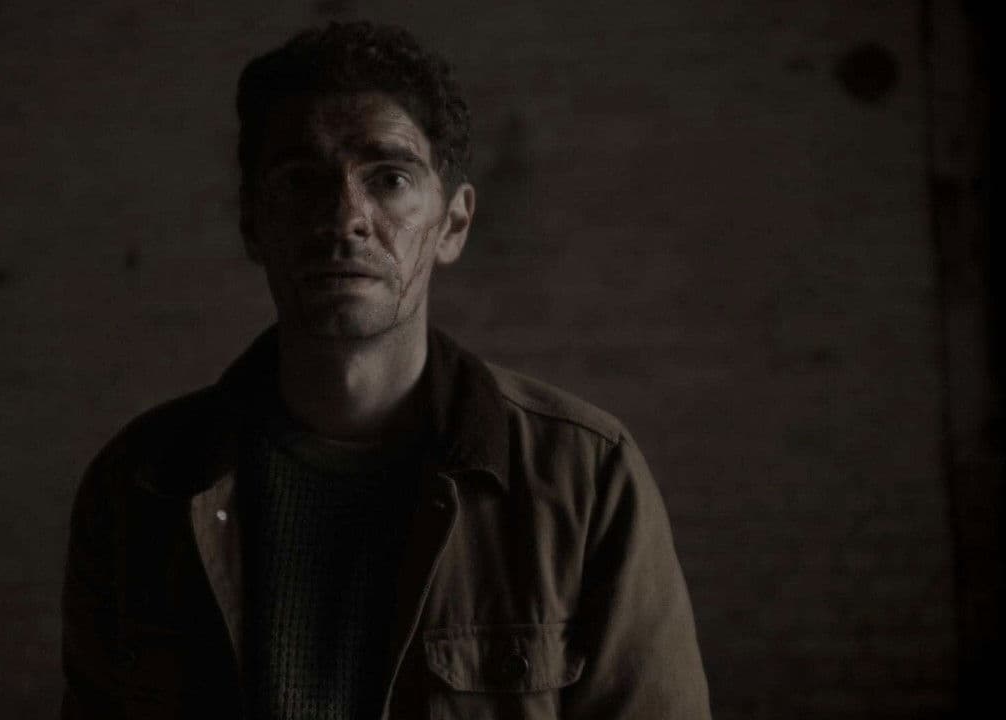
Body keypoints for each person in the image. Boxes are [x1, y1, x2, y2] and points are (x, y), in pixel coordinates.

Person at [61, 20, 711, 720]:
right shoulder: (142, 483)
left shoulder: (585, 478)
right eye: (301, 180)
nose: (345, 217)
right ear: (253, 223)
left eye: (390, 178)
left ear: (453, 224)